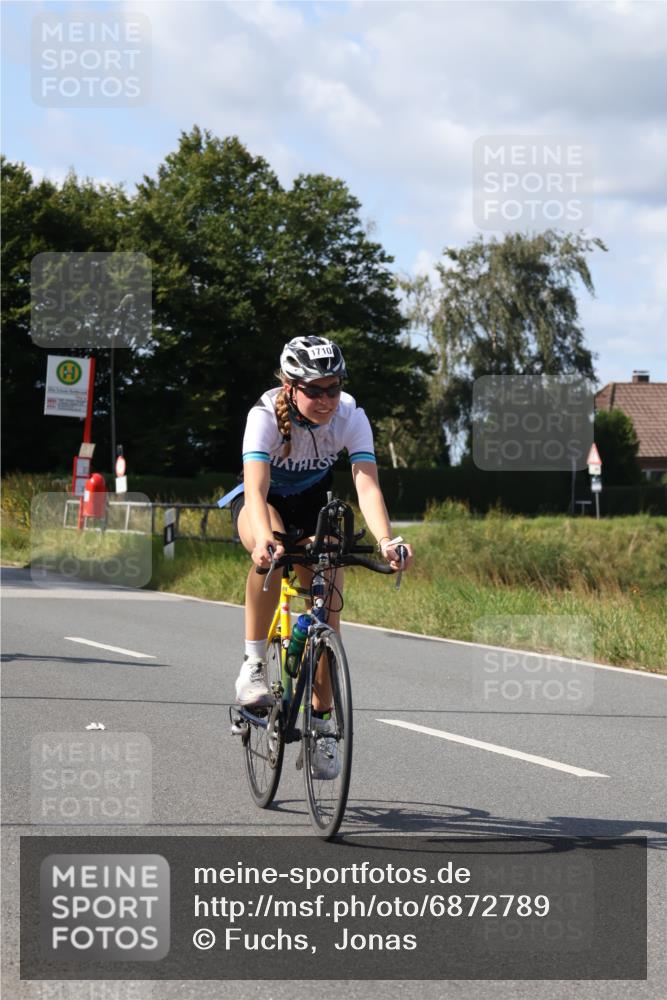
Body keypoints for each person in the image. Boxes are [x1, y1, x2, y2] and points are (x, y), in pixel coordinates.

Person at [220, 335, 413, 778]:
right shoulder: (264, 415)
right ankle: (252, 666)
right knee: (267, 557)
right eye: (315, 390)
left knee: (328, 604)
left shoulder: (350, 416)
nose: (327, 399)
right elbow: (256, 488)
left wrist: (387, 541)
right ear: (290, 387)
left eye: (334, 387)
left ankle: (322, 725)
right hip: (262, 502)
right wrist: (266, 538)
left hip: (311, 505)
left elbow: (367, 484)